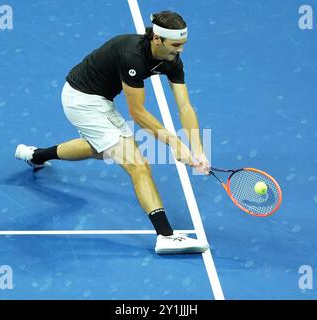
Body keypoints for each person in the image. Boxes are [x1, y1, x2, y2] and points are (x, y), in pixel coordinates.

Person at [15, 11, 210, 254]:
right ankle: (166, 236)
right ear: (157, 39)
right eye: (176, 44)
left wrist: (199, 150)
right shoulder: (133, 56)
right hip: (83, 100)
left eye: (183, 44)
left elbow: (185, 107)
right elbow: (137, 112)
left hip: (101, 100)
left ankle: (36, 155)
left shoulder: (172, 60)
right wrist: (174, 142)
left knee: (101, 150)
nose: (181, 50)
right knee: (138, 164)